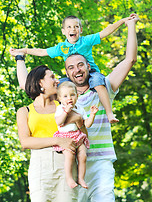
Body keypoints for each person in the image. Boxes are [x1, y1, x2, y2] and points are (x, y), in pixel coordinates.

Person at [10, 13, 139, 201]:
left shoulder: (104, 87)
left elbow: (129, 60)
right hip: (71, 166)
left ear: (89, 66)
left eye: (81, 65)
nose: (76, 69)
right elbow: (27, 85)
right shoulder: (63, 97)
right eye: (71, 67)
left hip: (100, 163)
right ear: (66, 72)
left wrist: (130, 25)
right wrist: (20, 57)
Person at [10, 14, 135, 123]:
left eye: (76, 27)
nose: (73, 29)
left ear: (80, 30)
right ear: (64, 31)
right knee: (62, 86)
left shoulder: (86, 40)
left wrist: (123, 21)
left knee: (97, 82)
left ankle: (109, 113)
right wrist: (23, 52)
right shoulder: (62, 47)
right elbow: (42, 52)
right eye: (69, 27)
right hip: (73, 140)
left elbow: (105, 32)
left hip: (92, 73)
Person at [16, 65, 78, 202]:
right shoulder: (24, 111)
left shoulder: (63, 106)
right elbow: (25, 142)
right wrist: (57, 140)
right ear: (40, 82)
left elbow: (79, 125)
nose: (57, 81)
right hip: (40, 166)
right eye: (52, 77)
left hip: (66, 164)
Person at [54, 81, 98, 189]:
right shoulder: (60, 108)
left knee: (83, 156)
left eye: (72, 95)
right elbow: (59, 122)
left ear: (77, 96)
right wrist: (66, 112)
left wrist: (92, 115)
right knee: (70, 156)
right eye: (65, 96)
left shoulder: (79, 108)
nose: (69, 98)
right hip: (65, 137)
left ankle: (81, 178)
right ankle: (69, 178)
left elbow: (86, 124)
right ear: (59, 99)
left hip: (78, 135)